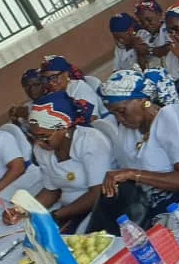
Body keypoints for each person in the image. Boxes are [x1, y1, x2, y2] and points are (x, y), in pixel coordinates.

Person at [90, 69, 179, 233]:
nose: (119, 119)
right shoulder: (128, 129)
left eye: (122, 111)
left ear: (143, 100)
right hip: (145, 205)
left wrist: (132, 174)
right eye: (114, 114)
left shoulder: (172, 117)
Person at [7, 92, 111, 231]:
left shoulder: (89, 141)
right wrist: (24, 210)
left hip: (99, 209)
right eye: (34, 137)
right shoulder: (42, 150)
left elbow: (97, 194)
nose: (38, 143)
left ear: (63, 128)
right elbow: (52, 191)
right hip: (66, 211)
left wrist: (56, 216)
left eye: (44, 136)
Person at [40, 54, 106, 118]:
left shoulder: (79, 88)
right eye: (45, 78)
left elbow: (92, 118)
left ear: (66, 74)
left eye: (54, 77)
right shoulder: (50, 94)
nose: (50, 82)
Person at [133, 0, 170, 68]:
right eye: (142, 22)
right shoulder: (142, 35)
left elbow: (171, 48)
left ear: (159, 14)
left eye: (149, 20)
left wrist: (148, 50)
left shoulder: (170, 27)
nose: (146, 24)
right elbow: (143, 68)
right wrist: (139, 52)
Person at [8, 68, 46, 135]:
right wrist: (15, 120)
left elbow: (48, 130)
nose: (31, 89)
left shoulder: (55, 100)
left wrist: (27, 116)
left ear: (44, 84)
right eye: (27, 86)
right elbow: (22, 136)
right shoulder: (26, 107)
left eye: (36, 85)